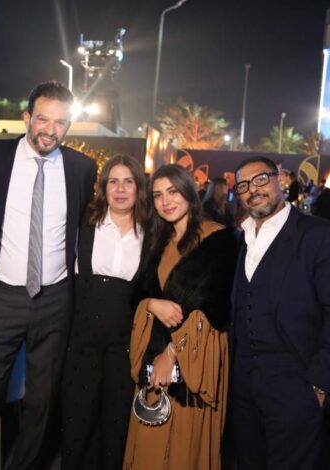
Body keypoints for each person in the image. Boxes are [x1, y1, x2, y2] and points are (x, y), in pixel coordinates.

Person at [0, 81, 97, 470]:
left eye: (60, 122)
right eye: (43, 119)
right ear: (26, 118)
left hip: (56, 298)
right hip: (1, 296)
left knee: (42, 400)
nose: (50, 130)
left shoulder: (81, 168)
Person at [229, 156, 330, 470]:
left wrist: (319, 385)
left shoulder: (320, 235)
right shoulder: (241, 238)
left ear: (280, 179)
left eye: (261, 179)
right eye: (244, 185)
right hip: (244, 387)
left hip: (296, 386)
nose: (253, 190)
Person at [123, 164, 237, 470]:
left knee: (185, 447)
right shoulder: (157, 242)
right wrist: (151, 304)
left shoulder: (220, 240)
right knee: (150, 440)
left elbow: (215, 307)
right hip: (154, 354)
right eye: (158, 195)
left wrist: (172, 354)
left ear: (189, 192)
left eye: (173, 192)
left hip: (196, 361)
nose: (166, 201)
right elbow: (137, 293)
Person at [60, 155, 147, 469]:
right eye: (113, 181)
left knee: (116, 422)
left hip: (125, 343)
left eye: (128, 182)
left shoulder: (151, 232)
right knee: (77, 420)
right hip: (82, 338)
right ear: (103, 187)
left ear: (139, 188)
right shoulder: (85, 223)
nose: (120, 189)